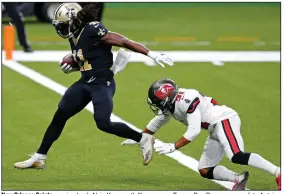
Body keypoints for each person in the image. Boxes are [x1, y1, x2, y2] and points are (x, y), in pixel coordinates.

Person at [14, 3, 174, 169]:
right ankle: (39, 157)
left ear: (75, 21)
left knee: (103, 123)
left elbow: (123, 41)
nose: (61, 28)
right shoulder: (74, 34)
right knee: (60, 115)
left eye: (64, 25)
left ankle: (142, 138)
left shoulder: (92, 29)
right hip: (85, 81)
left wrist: (151, 54)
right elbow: (89, 58)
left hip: (102, 83)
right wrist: (72, 67)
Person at [121, 78, 281, 190]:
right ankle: (238, 179)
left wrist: (174, 146)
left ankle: (278, 172)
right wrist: (140, 137)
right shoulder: (172, 103)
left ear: (165, 99)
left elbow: (194, 130)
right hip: (214, 127)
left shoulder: (187, 100)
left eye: (157, 103)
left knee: (236, 155)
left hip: (224, 119)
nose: (157, 106)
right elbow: (158, 121)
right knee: (205, 169)